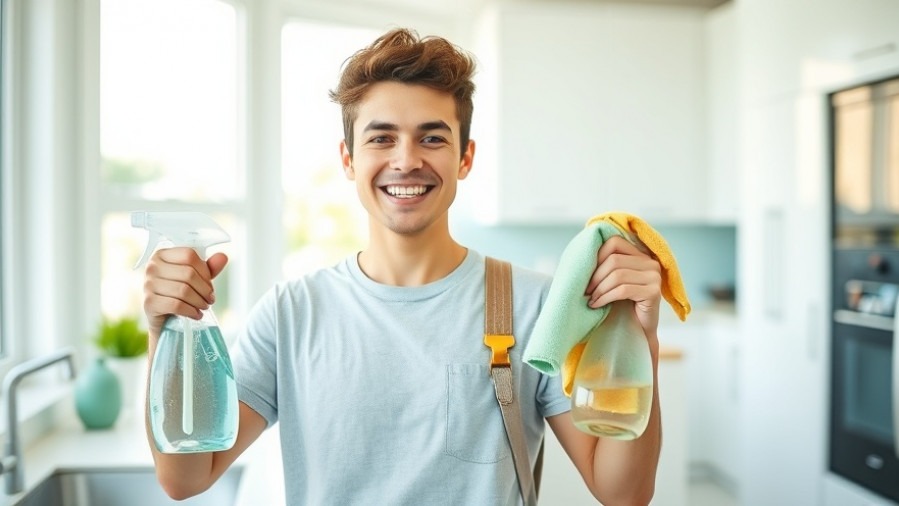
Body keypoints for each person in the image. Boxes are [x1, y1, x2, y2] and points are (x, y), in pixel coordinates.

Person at [140, 27, 664, 505]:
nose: (407, 159)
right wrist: (166, 335)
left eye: (432, 137)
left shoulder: (536, 307)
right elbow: (186, 478)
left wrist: (641, 339)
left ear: (465, 157)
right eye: (381, 137)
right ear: (348, 159)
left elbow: (624, 495)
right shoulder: (290, 314)